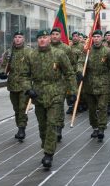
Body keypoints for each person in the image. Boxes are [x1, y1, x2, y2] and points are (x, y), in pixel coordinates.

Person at [26, 30, 77, 168]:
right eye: (39, 38)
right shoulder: (31, 55)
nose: (42, 40)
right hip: (38, 95)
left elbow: (69, 73)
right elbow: (25, 75)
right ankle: (46, 146)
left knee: (52, 123)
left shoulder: (59, 54)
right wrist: (27, 88)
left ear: (49, 39)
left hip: (56, 93)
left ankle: (48, 154)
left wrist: (72, 91)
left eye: (44, 37)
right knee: (42, 125)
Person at [77, 30, 110, 141]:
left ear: (102, 38)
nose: (96, 39)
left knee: (102, 107)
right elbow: (80, 62)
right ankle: (95, 127)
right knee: (92, 109)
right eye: (94, 37)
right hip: (89, 84)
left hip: (103, 83)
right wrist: (80, 72)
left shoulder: (108, 52)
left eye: (98, 36)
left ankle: (101, 128)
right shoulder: (87, 51)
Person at [0, 31, 32, 141]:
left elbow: (34, 66)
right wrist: (2, 73)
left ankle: (22, 128)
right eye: (16, 37)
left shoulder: (29, 51)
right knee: (16, 108)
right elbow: (4, 65)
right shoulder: (9, 52)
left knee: (22, 107)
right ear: (13, 39)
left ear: (23, 39)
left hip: (25, 83)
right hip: (13, 84)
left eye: (20, 37)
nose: (17, 39)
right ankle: (19, 126)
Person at [50, 27, 74, 142]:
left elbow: (71, 66)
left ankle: (58, 128)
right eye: (53, 34)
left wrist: (72, 86)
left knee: (58, 106)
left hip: (61, 83)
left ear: (60, 36)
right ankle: (51, 127)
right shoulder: (45, 47)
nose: (54, 36)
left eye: (57, 34)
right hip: (47, 84)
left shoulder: (66, 49)